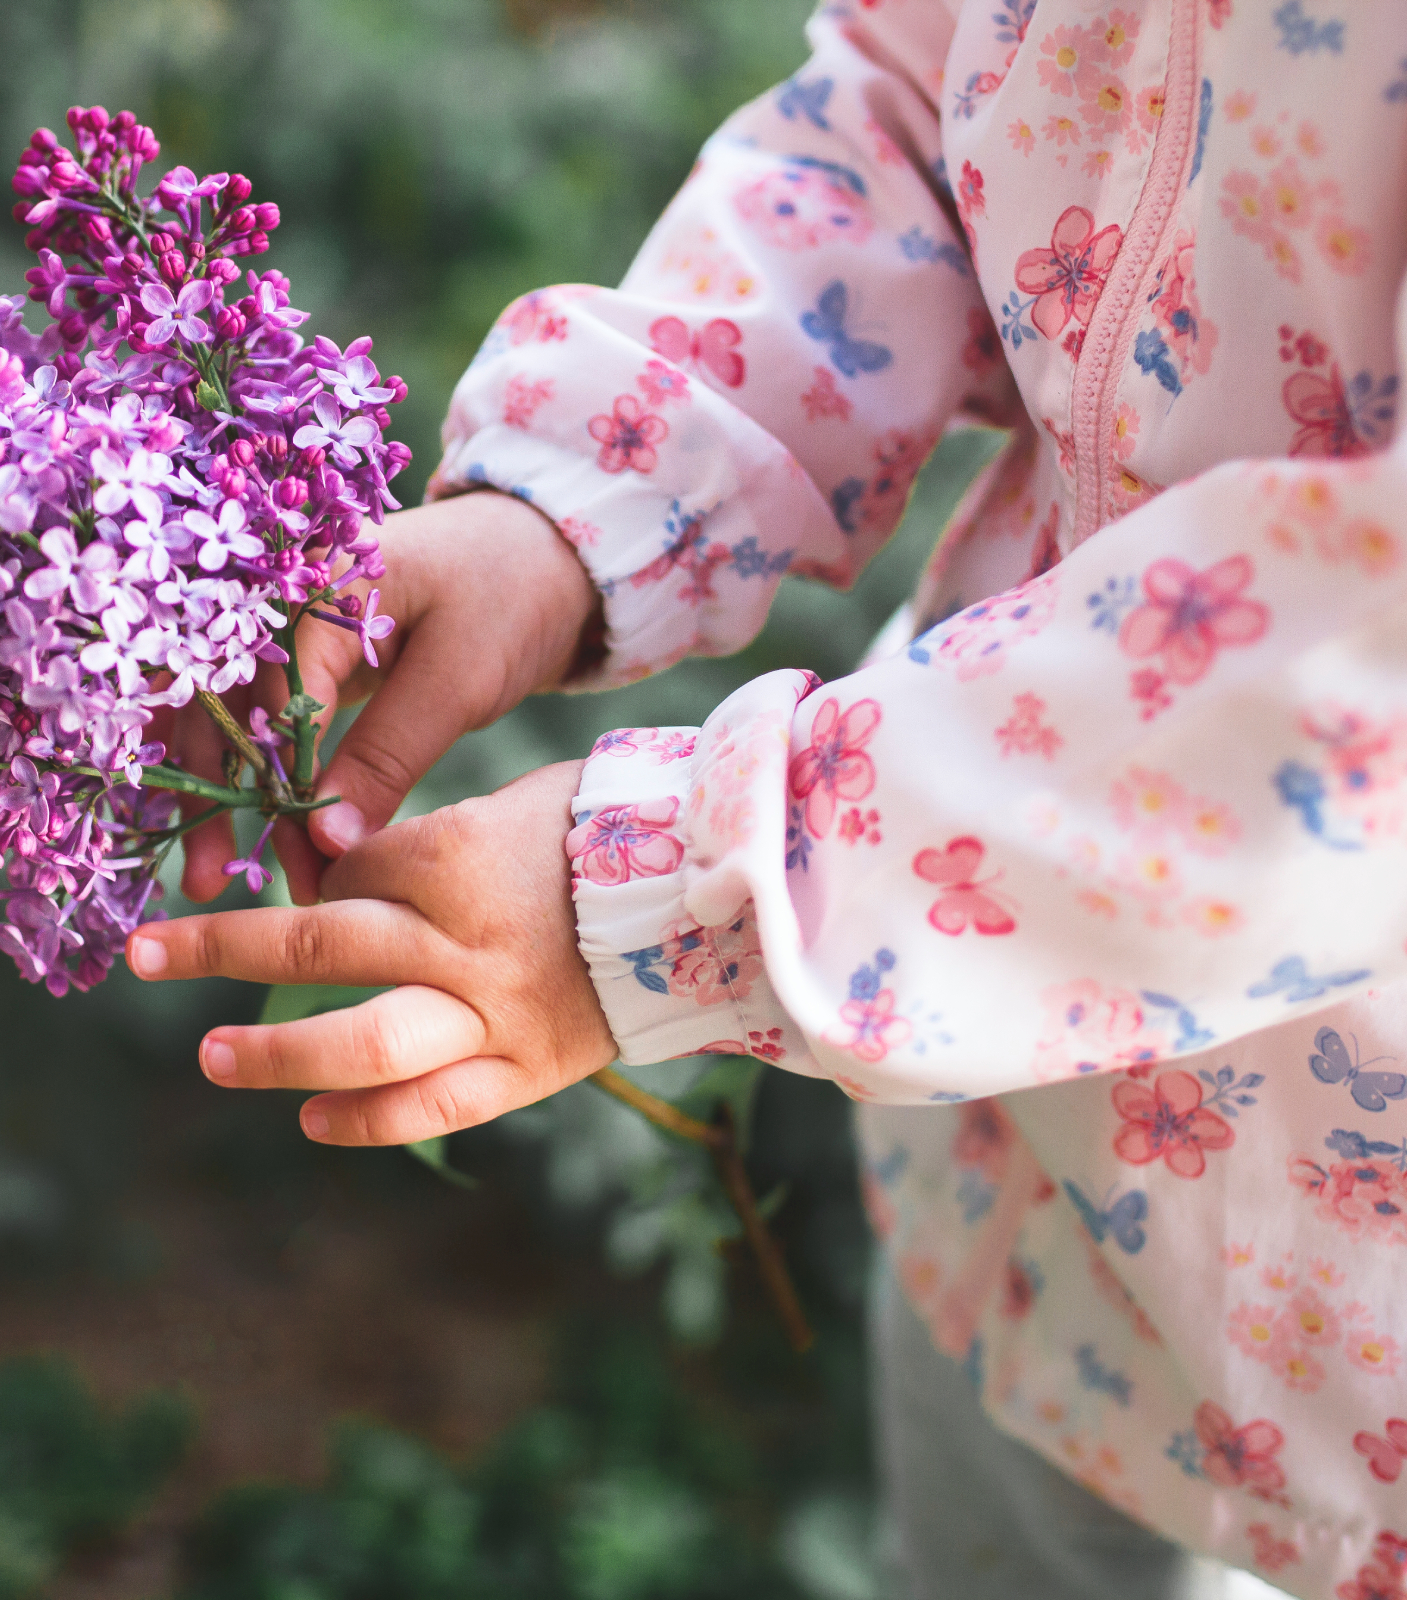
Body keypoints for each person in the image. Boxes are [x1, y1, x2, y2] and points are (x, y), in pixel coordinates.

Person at [128, 3, 1407, 1595]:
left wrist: (686, 896)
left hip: (1344, 1346)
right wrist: (572, 501)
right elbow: (920, 105)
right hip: (1017, 1191)